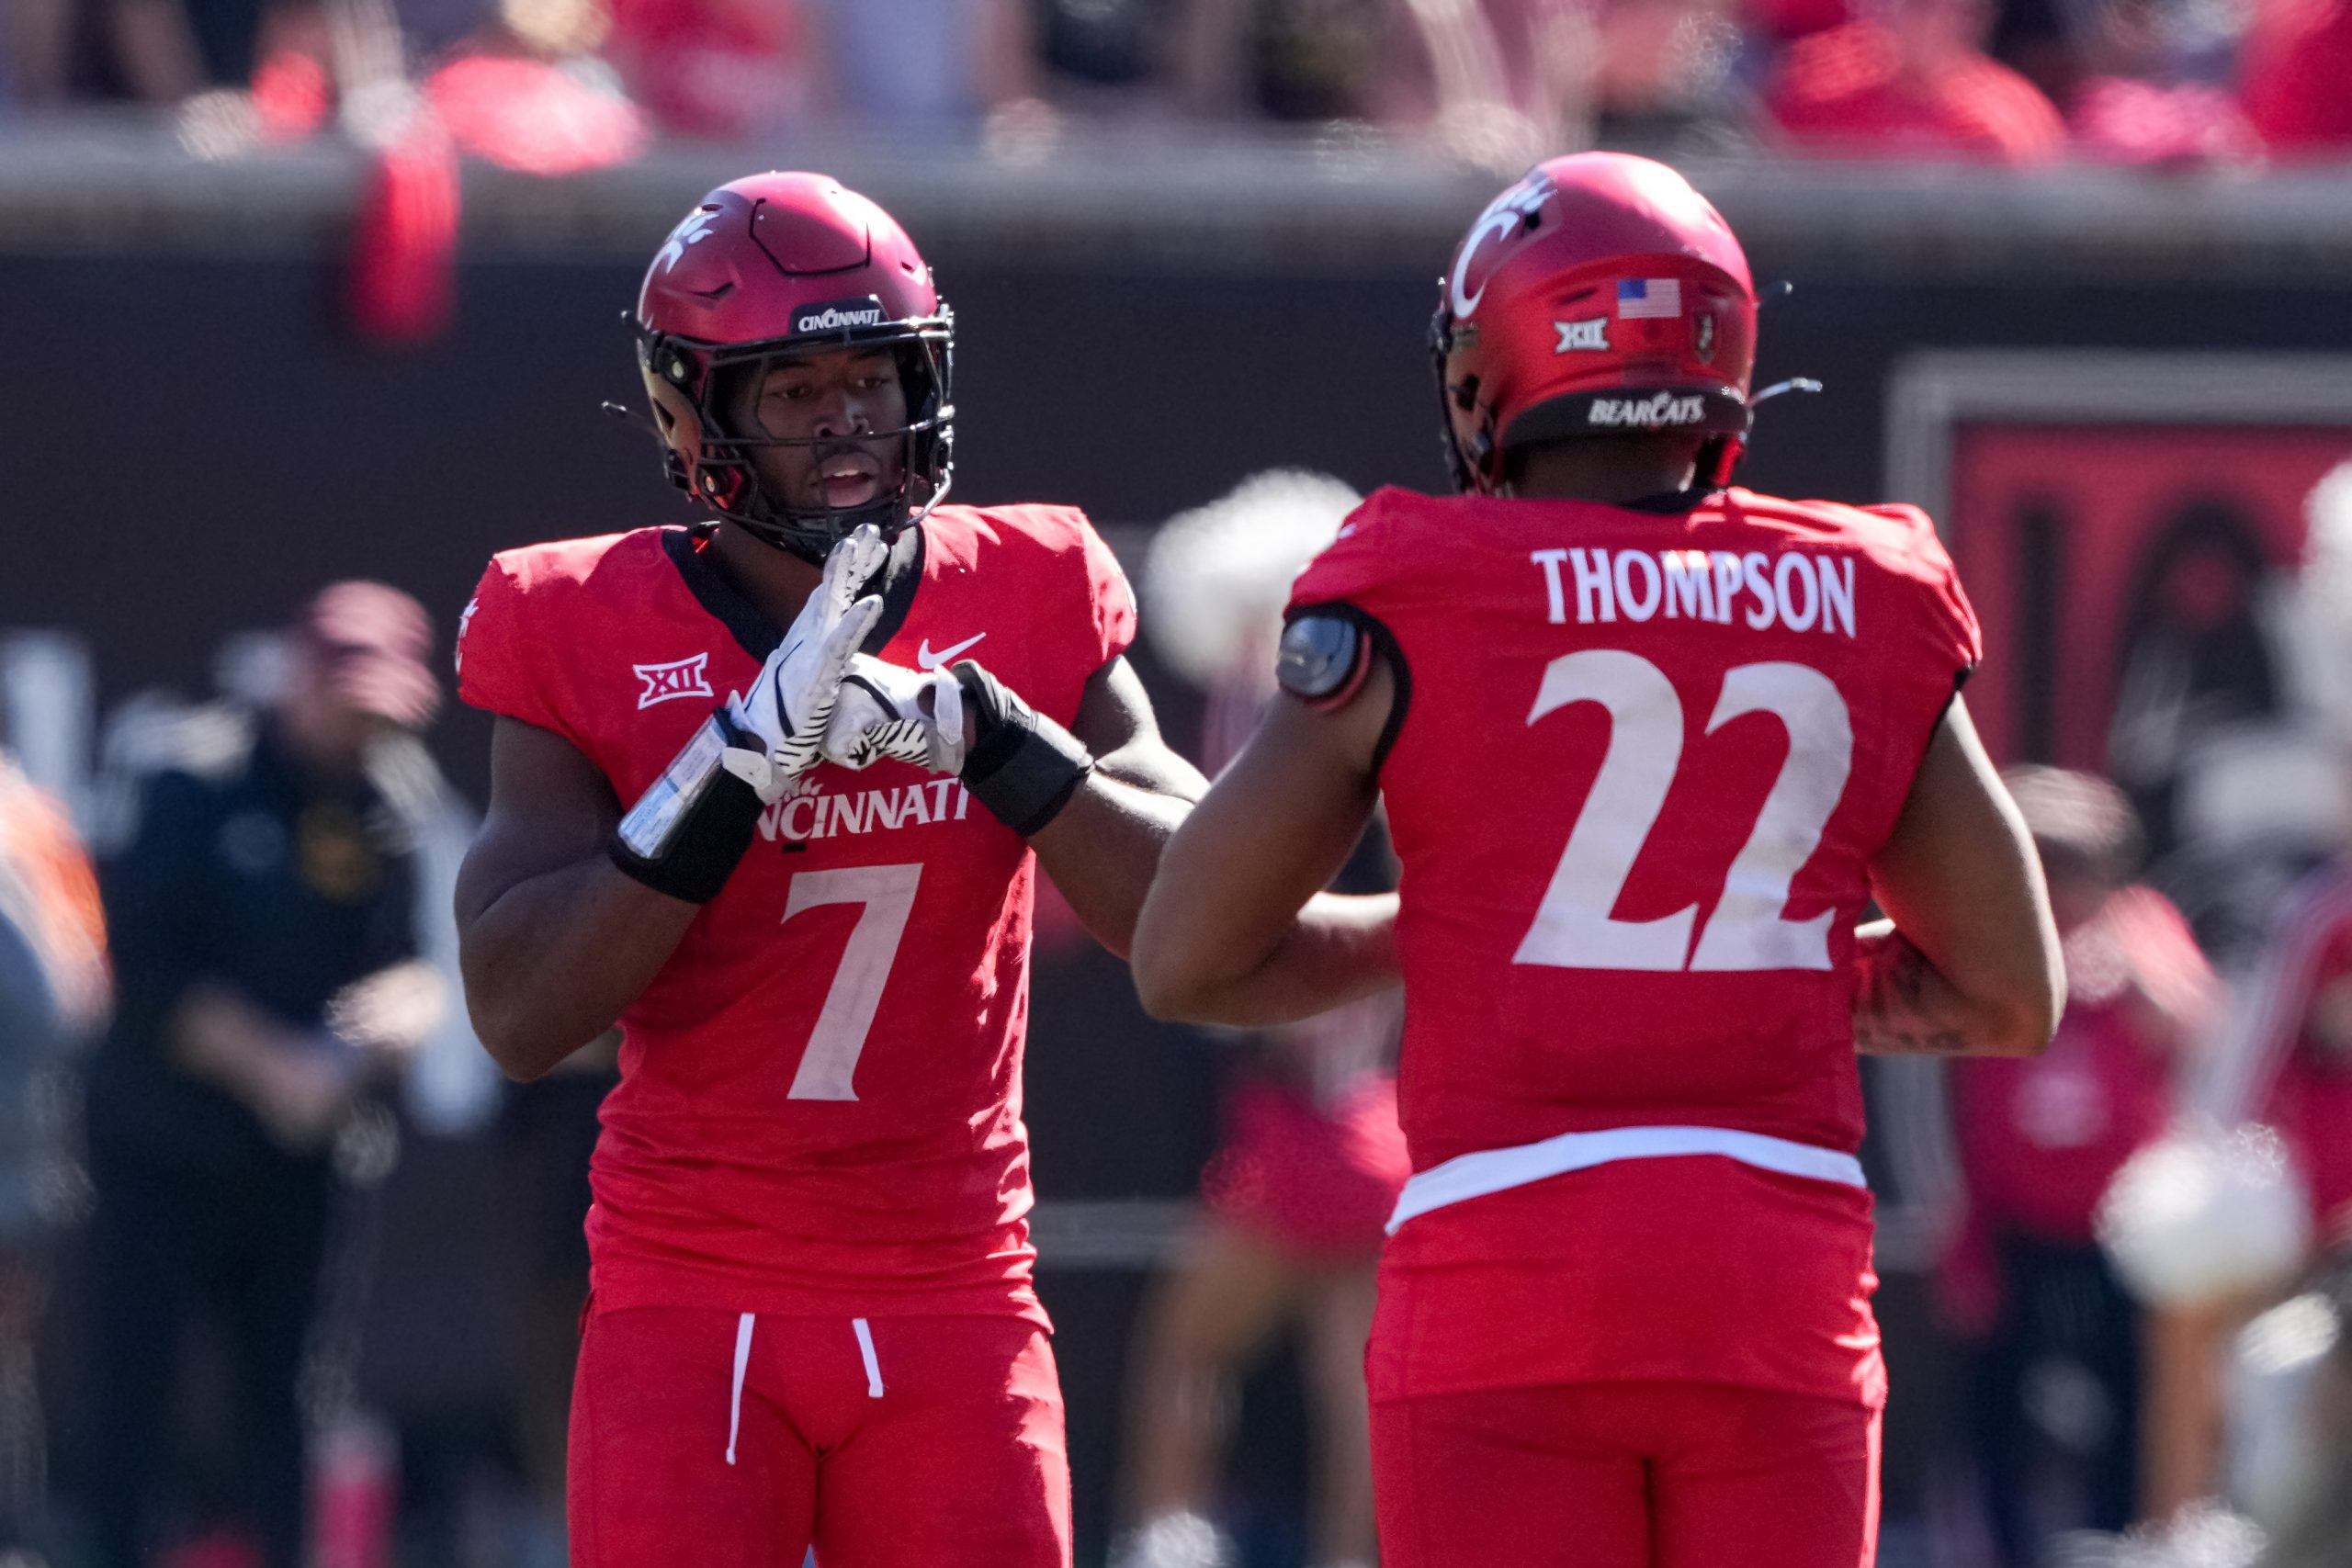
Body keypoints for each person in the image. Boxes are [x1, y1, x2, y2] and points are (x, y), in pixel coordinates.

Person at [1130, 151, 2066, 1568]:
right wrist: (1755, 968)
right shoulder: (1863, 585)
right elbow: (2008, 987)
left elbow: (1191, 953)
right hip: (1774, 1268)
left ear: (1497, 355)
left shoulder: (1414, 580)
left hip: (1506, 1269)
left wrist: (1466, 932)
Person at [448, 170, 1389, 1567]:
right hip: (691, 1287)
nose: (843, 423)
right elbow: (524, 1012)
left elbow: (1204, 920)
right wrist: (737, 762)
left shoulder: (1030, 581)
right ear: (692, 411)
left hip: (955, 1281)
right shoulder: (574, 615)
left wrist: (1002, 742)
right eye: (792, 390)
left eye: (872, 379)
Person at [85, 581, 445, 1568]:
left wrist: (392, 1020)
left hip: (303, 1166)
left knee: (289, 1404)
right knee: (132, 1390)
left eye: (381, 710)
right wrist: (274, 1066)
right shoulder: (190, 777)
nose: (359, 727)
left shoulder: (388, 794)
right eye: (345, 699)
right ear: (296, 673)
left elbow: (412, 963)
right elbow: (143, 972)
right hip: (162, 1151)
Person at [1941, 766, 2213, 1563]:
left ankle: (2123, 1544)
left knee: (2129, 1403)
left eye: (2077, 866)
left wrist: (2125, 956)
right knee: (1996, 1406)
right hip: (2008, 1225)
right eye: (2045, 863)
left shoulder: (2139, 926)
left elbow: (2193, 1027)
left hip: (2121, 1229)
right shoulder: (1981, 931)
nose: (2062, 887)